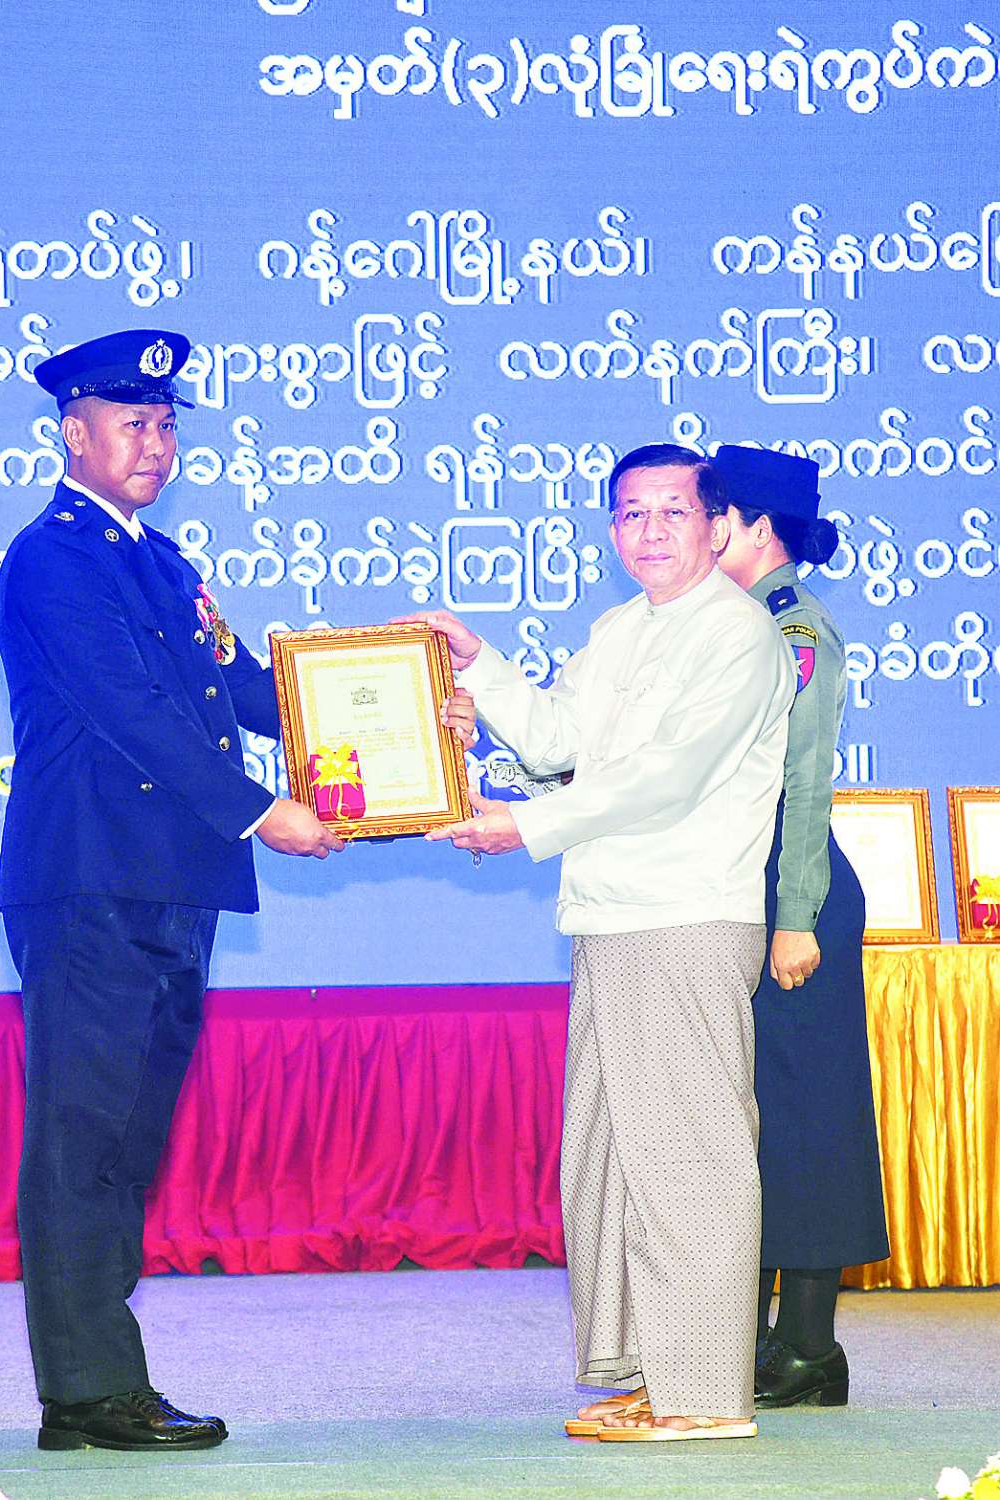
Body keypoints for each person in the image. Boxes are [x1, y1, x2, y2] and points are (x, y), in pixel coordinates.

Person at [0, 329, 344, 1453]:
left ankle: (96, 1380)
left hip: (167, 888)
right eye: (131, 423)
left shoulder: (163, 560)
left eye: (165, 424)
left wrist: (387, 714)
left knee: (125, 1142)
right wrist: (263, 810)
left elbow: (240, 686)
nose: (154, 443)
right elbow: (129, 713)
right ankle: (89, 1392)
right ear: (73, 434)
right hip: (91, 883)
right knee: (82, 1140)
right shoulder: (54, 558)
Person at [411, 443, 796, 1442]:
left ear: (717, 525)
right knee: (616, 1159)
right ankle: (655, 1373)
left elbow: (667, 779)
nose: (650, 531)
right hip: (611, 917)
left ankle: (704, 1394)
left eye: (673, 511)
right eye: (631, 513)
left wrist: (524, 827)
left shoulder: (738, 635)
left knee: (689, 1158)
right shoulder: (621, 628)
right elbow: (553, 739)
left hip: (683, 916)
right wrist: (477, 664)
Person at [712, 444, 889, 1407]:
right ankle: (750, 1338)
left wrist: (794, 917)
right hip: (742, 881)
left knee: (808, 1117)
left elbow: (805, 781)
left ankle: (810, 1347)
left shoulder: (793, 629)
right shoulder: (725, 624)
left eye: (712, 514)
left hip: (795, 888)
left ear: (755, 526)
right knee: (755, 1115)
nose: (694, 530)